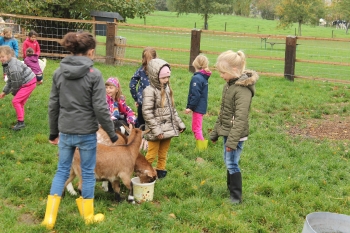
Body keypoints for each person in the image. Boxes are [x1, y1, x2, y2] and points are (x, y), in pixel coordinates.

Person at [42, 32, 118, 230]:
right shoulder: (95, 75)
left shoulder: (58, 73)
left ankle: (49, 218)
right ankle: (88, 216)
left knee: (61, 171)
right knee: (87, 172)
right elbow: (101, 109)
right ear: (91, 52)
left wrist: (53, 132)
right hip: (86, 133)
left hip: (65, 131)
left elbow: (53, 105)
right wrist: (111, 133)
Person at [209, 50, 258, 204]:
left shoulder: (242, 90)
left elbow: (241, 118)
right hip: (228, 132)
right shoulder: (229, 86)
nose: (221, 75)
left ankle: (236, 196)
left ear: (234, 70)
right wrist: (215, 133)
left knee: (232, 163)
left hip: (235, 134)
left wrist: (232, 141)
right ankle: (231, 188)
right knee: (227, 160)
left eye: (223, 72)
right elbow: (223, 113)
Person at [142, 58, 186, 179]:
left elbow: (172, 110)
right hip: (156, 131)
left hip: (167, 130)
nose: (166, 80)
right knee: (151, 154)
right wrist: (157, 130)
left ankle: (160, 171)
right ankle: (143, 173)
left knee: (163, 153)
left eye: (168, 77)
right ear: (155, 76)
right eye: (163, 78)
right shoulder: (149, 91)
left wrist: (179, 123)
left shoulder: (166, 89)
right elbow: (147, 113)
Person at [0, 45, 36, 130]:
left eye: (2, 56)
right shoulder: (7, 64)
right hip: (28, 82)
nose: (1, 59)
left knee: (16, 101)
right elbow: (10, 80)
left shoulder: (13, 66)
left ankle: (21, 123)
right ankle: (21, 120)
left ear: (9, 55)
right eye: (0, 57)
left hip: (28, 83)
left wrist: (15, 93)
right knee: (20, 102)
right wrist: (4, 92)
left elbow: (16, 82)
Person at [185, 54, 211, 151]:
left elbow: (195, 95)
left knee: (196, 128)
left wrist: (190, 107)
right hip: (201, 107)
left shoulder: (197, 78)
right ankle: (201, 147)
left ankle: (202, 149)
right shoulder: (203, 77)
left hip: (198, 107)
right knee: (197, 127)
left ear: (195, 63)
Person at [129, 47, 157, 127]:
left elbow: (132, 85)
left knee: (140, 124)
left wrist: (136, 98)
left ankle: (140, 138)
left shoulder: (140, 70)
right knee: (152, 125)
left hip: (142, 102)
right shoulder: (159, 71)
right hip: (154, 102)